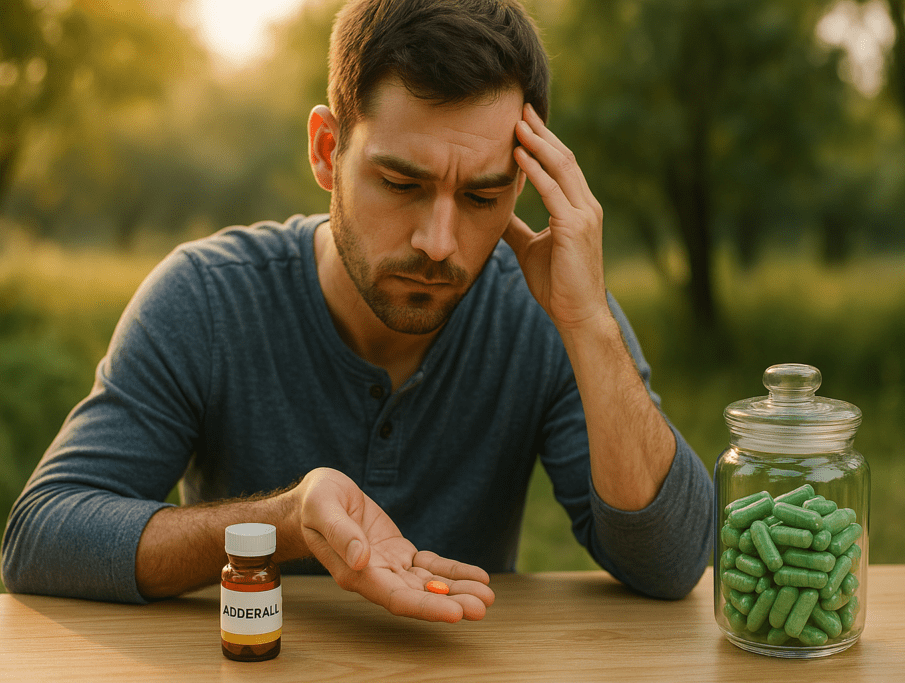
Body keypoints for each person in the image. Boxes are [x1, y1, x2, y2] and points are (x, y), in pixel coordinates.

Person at [1, 0, 713, 623]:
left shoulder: (547, 309)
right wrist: (285, 522)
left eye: (482, 197)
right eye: (402, 182)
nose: (439, 243)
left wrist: (588, 325)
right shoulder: (207, 295)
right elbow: (42, 536)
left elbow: (675, 562)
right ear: (327, 148)